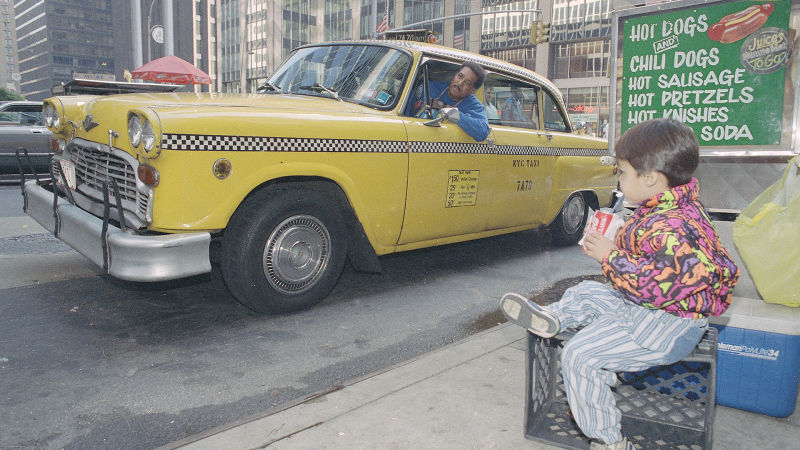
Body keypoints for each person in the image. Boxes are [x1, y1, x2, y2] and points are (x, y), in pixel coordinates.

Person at [500, 118, 739, 450]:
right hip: (651, 311)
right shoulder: (669, 208)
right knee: (587, 291)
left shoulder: (674, 227)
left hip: (666, 327)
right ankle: (554, 318)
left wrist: (610, 256)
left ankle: (608, 441)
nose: (619, 179)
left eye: (623, 172)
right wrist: (618, 241)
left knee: (580, 355)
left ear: (650, 178)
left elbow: (654, 286)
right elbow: (652, 261)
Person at [406, 61, 490, 142]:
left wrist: (453, 113)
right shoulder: (429, 87)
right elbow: (405, 109)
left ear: (473, 91)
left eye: (467, 83)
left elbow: (483, 132)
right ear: (455, 75)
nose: (460, 83)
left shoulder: (473, 105)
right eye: (460, 76)